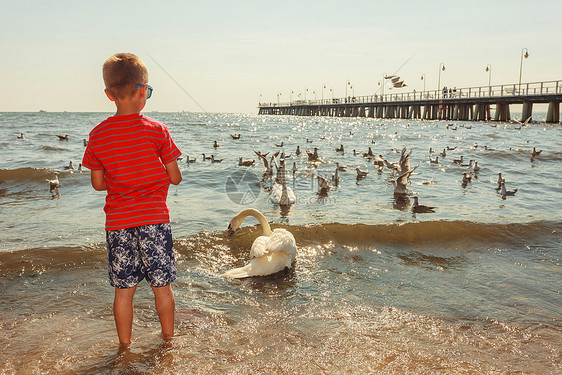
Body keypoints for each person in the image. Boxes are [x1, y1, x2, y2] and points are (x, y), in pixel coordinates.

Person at [82, 53, 182, 348]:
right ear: (142, 91)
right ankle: (168, 340)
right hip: (154, 220)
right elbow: (175, 178)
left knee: (123, 291)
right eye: (147, 91)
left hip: (118, 223)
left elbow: (99, 184)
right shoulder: (158, 130)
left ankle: (125, 347)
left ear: (108, 94)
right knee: (162, 288)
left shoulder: (98, 135)